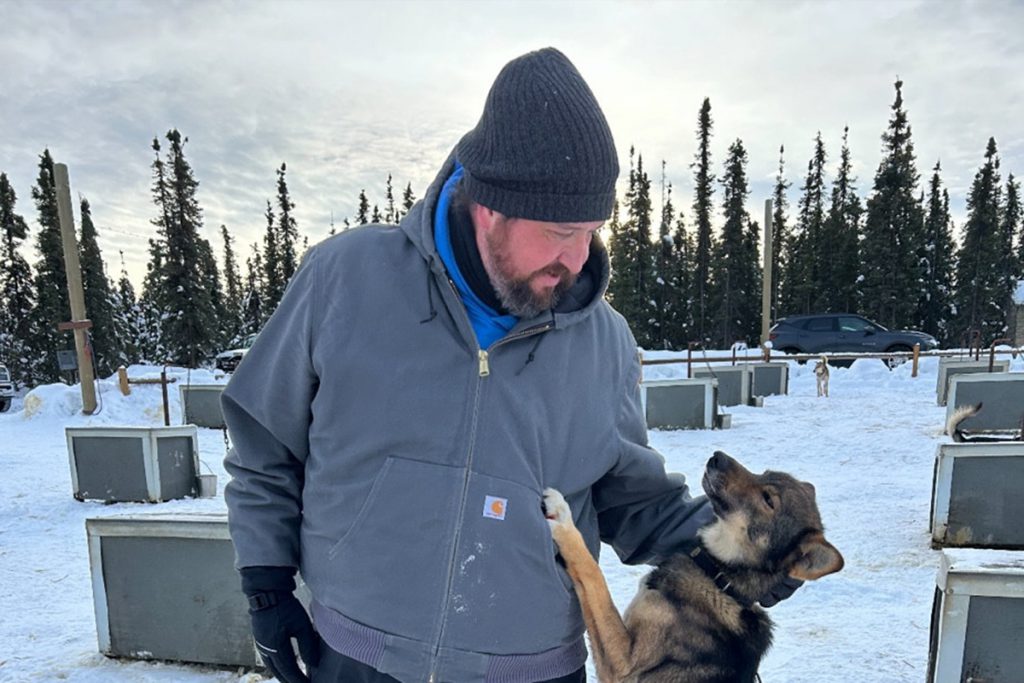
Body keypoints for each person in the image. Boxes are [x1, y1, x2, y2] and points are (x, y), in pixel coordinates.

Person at [223, 47, 798, 683]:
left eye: (592, 230)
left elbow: (631, 501)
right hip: (358, 656)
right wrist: (267, 585)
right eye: (559, 232)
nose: (579, 259)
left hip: (530, 671)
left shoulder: (602, 341)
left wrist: (754, 553)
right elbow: (264, 444)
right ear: (489, 205)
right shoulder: (345, 280)